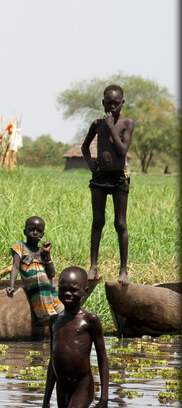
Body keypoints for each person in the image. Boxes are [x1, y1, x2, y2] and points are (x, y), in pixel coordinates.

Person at [40, 266, 109, 408]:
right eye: (62, 289)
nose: (67, 293)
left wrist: (104, 400)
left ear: (85, 291)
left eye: (73, 290)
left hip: (82, 388)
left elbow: (102, 359)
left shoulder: (90, 320)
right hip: (61, 388)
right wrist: (45, 401)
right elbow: (53, 363)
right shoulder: (55, 321)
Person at [81, 84, 135, 284]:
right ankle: (93, 267)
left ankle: (123, 271)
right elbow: (85, 146)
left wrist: (111, 126)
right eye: (108, 103)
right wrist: (89, 162)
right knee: (98, 222)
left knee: (120, 223)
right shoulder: (97, 124)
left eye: (116, 103)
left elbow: (122, 151)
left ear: (122, 103)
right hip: (100, 177)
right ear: (103, 103)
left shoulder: (127, 124)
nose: (112, 106)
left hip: (119, 177)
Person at [6, 216, 63, 324]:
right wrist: (11, 286)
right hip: (38, 294)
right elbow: (15, 267)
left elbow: (51, 274)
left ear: (43, 235)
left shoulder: (43, 251)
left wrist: (47, 254)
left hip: (51, 291)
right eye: (31, 230)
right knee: (52, 318)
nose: (35, 233)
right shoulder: (20, 247)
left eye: (39, 231)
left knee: (63, 314)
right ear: (25, 232)